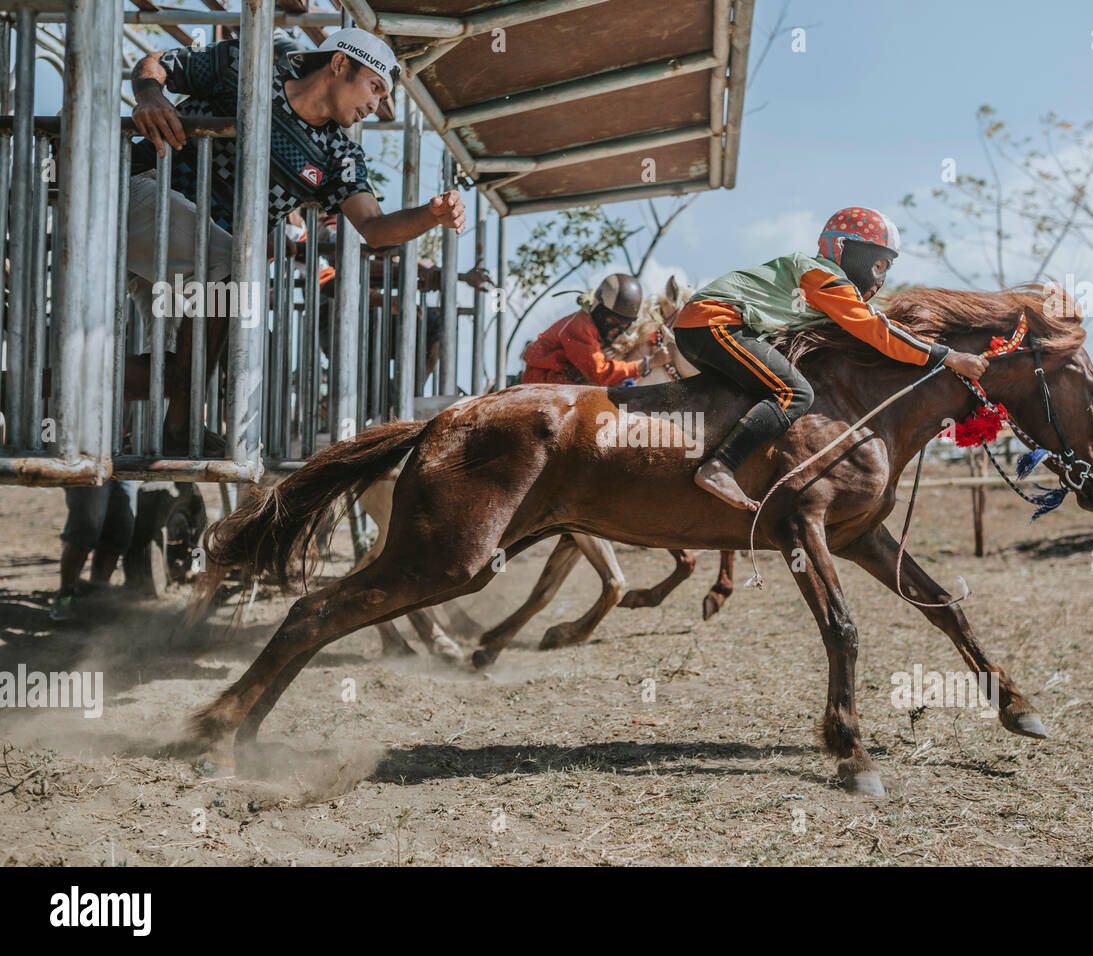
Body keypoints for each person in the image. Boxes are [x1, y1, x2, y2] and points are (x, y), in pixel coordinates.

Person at [126, 27, 466, 453]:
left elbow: (375, 228)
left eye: (382, 95)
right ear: (340, 64)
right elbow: (158, 62)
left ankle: (25, 384)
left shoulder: (337, 155)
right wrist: (150, 97)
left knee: (175, 372)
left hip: (188, 253)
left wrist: (430, 215)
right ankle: (181, 430)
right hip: (142, 198)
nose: (376, 104)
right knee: (230, 269)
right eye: (374, 87)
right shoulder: (243, 70)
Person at [672, 207, 990, 511]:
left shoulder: (817, 279)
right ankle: (719, 467)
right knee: (795, 392)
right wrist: (947, 356)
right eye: (878, 264)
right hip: (713, 322)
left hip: (704, 326)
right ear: (843, 249)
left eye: (886, 267)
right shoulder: (822, 277)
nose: (880, 277)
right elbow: (877, 330)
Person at [520, 273, 671, 386]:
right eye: (612, 321)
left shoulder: (592, 325)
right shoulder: (580, 327)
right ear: (598, 310)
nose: (615, 329)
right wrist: (648, 363)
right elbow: (600, 373)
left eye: (624, 325)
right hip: (541, 382)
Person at [50, 481, 138, 621]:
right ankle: (65, 596)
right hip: (90, 460)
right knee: (86, 527)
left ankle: (97, 597)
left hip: (125, 460)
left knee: (120, 528)